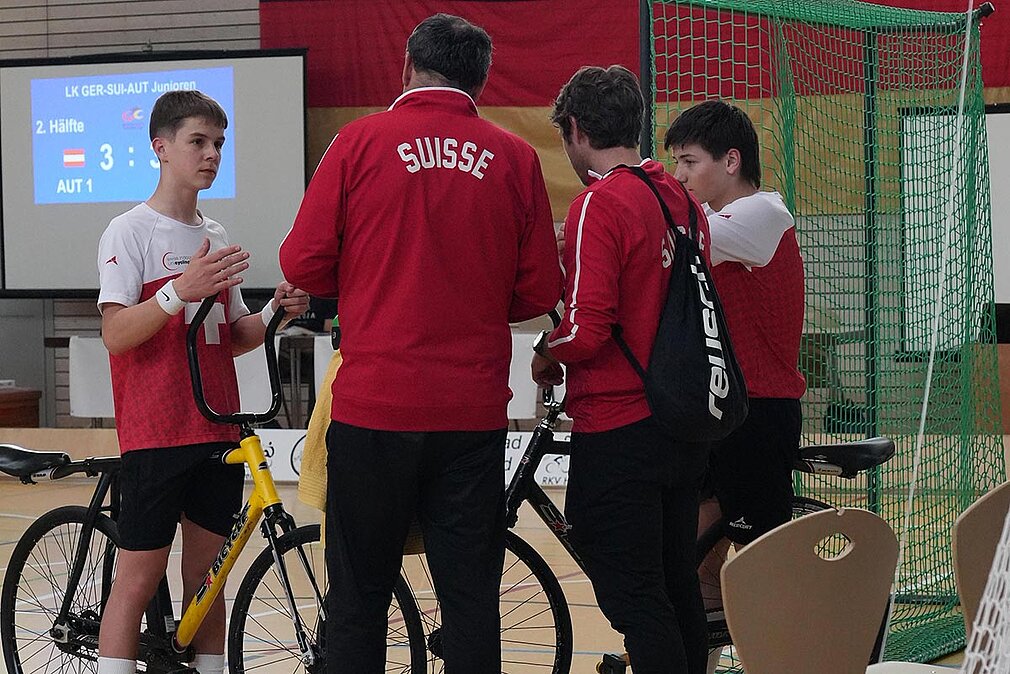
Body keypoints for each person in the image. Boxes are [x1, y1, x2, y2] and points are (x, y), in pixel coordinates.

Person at [278, 13, 562, 674]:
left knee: (358, 601)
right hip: (472, 414)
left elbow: (302, 263)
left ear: (406, 67)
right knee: (469, 602)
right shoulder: (515, 157)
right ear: (480, 82)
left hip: (374, 408)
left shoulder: (358, 141)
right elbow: (537, 291)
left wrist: (367, 282)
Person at [95, 90, 309, 674]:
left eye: (218, 143)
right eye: (198, 142)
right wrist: (176, 292)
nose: (212, 154)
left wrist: (275, 312)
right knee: (137, 580)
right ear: (160, 148)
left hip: (217, 428)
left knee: (209, 580)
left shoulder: (213, 232)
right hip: (156, 431)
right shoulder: (129, 231)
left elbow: (230, 336)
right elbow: (115, 333)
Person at [531, 65, 711, 674]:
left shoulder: (597, 203)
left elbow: (586, 329)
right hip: (681, 417)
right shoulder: (681, 199)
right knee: (676, 584)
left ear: (576, 130)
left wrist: (546, 351)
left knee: (635, 596)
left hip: (619, 425)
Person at [664, 100, 806, 608]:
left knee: (761, 567)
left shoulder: (763, 214)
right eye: (675, 163)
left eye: (689, 162)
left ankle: (800, 641)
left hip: (759, 410)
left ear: (731, 161)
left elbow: (681, 233)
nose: (680, 175)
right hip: (716, 408)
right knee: (697, 560)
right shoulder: (707, 216)